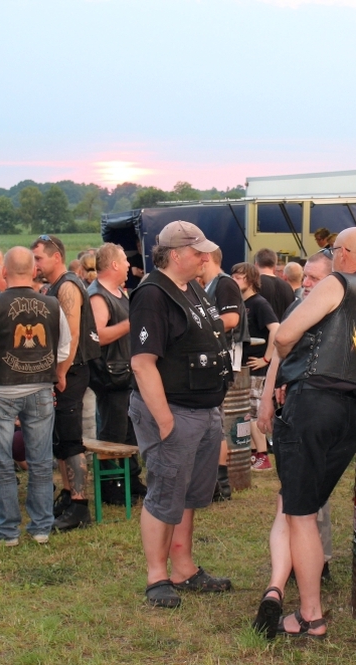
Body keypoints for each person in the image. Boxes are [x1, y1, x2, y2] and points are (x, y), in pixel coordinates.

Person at [251, 227, 356, 640]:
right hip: (354, 413)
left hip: (314, 404)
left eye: (333, 250)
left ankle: (310, 616)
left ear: (343, 253)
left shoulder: (338, 283)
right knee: (307, 510)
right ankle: (307, 609)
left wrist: (287, 361)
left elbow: (285, 334)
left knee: (299, 515)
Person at [129, 221, 233, 609]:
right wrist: (164, 420)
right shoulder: (153, 295)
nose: (205, 257)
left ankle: (183, 568)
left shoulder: (191, 287)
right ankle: (157, 576)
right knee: (165, 494)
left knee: (188, 495)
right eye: (197, 251)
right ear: (175, 255)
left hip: (202, 410)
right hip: (173, 410)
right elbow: (142, 363)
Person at [0, 247, 71, 546]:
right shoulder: (52, 305)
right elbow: (64, 349)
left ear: (4, 273)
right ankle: (41, 528)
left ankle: (7, 530)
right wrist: (55, 374)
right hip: (40, 389)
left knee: (0, 462)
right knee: (40, 461)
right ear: (34, 271)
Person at [254, 251, 337, 599]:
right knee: (296, 492)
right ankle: (300, 563)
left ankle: (316, 560)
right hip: (294, 410)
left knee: (311, 492)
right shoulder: (299, 305)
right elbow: (278, 353)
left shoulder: (338, 310)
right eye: (305, 277)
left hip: (322, 411)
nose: (306, 284)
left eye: (315, 279)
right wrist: (266, 398)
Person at [31, 234, 102, 532]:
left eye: (39, 258)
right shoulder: (56, 285)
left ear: (56, 257)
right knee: (60, 436)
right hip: (64, 370)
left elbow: (72, 334)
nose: (35, 264)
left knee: (71, 438)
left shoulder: (68, 286)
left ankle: (79, 505)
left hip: (72, 370)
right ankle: (66, 493)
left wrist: (61, 372)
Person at [88, 242, 146, 504]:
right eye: (124, 261)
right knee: (113, 432)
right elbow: (98, 336)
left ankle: (131, 480)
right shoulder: (98, 296)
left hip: (125, 373)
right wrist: (130, 324)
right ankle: (111, 486)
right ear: (113, 264)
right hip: (110, 376)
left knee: (130, 430)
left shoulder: (118, 292)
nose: (127, 265)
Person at [199, 247, 245, 500]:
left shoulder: (225, 283)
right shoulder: (208, 285)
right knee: (211, 418)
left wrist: (197, 327)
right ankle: (213, 481)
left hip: (222, 359)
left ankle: (221, 483)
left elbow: (231, 319)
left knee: (215, 418)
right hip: (212, 358)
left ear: (206, 259)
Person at [230, 262, 279, 471]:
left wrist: (266, 359)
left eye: (239, 277)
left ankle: (263, 455)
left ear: (250, 279)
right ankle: (252, 453)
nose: (234, 281)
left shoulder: (259, 303)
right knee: (244, 412)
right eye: (233, 276)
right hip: (242, 366)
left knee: (252, 413)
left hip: (256, 367)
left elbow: (275, 329)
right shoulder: (241, 303)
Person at [254, 247, 295, 320]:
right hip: (284, 326)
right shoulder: (288, 287)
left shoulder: (254, 285)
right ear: (275, 266)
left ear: (256, 264)